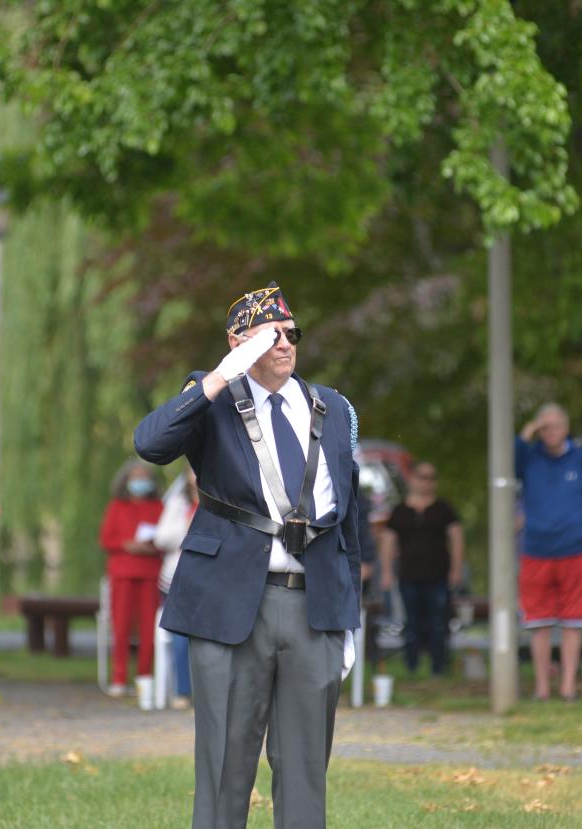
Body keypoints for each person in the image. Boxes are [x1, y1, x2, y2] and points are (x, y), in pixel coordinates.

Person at [134, 281, 362, 829]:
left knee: (306, 769)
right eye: (269, 337)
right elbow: (151, 443)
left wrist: (349, 618)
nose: (284, 345)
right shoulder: (211, 402)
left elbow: (349, 517)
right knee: (224, 767)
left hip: (314, 605)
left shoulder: (331, 407)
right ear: (238, 343)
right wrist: (219, 376)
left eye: (292, 334)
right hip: (234, 601)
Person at [516, 404, 582, 701]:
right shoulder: (529, 456)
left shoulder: (581, 459)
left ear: (566, 428)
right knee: (538, 622)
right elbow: (509, 463)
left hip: (575, 551)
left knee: (573, 621)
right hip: (536, 551)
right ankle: (542, 687)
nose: (549, 431)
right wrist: (525, 433)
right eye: (544, 427)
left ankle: (568, 686)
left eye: (554, 425)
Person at [378, 462, 464, 676]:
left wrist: (456, 569)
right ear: (413, 479)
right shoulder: (400, 511)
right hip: (408, 576)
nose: (426, 482)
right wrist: (387, 572)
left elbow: (456, 538)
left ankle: (439, 668)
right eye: (422, 477)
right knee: (411, 623)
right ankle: (412, 667)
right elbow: (388, 541)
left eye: (431, 477)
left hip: (438, 576)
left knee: (438, 623)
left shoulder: (444, 509)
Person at [98, 460, 165, 698]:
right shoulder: (117, 506)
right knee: (121, 627)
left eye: (144, 477)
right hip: (122, 574)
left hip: (150, 574)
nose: (140, 482)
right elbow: (105, 540)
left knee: (149, 629)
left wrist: (152, 547)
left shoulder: (159, 506)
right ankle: (118, 678)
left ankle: (144, 679)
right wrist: (126, 544)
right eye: (135, 477)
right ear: (126, 481)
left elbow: (167, 538)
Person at [155, 465, 198, 709]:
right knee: (181, 635)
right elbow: (161, 538)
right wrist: (188, 527)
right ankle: (183, 691)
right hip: (177, 580)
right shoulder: (177, 503)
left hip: (214, 582)